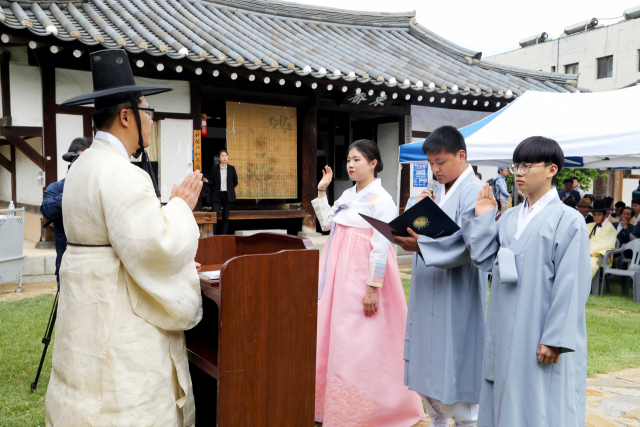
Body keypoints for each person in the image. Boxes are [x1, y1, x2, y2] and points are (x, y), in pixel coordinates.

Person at [45, 50, 204, 427]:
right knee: (122, 402)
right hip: (120, 317)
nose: (152, 120)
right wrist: (180, 207)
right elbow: (155, 249)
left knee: (85, 393)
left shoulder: (83, 165)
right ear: (127, 115)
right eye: (148, 111)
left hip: (86, 309)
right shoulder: (123, 173)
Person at [461, 136, 590, 427]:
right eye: (516, 165)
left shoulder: (568, 221)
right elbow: (485, 260)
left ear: (552, 170)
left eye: (527, 165)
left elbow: (572, 285)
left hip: (540, 329)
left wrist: (555, 338)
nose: (518, 172)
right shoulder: (508, 218)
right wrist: (483, 218)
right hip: (505, 325)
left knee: (542, 400)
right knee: (505, 393)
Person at [313, 139, 424, 427]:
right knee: (333, 333)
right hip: (337, 272)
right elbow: (327, 224)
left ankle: (367, 408)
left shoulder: (381, 199)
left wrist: (373, 287)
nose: (350, 165)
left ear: (373, 163)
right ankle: (328, 404)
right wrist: (322, 191)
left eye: (357, 160)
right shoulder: (348, 194)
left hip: (359, 275)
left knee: (357, 339)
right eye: (348, 159)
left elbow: (380, 245)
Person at [393, 126, 487, 427]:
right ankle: (435, 417)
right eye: (431, 163)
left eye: (441, 162)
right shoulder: (440, 189)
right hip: (428, 285)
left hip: (456, 290)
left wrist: (422, 245)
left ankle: (464, 421)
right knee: (426, 356)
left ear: (462, 155)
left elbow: (470, 244)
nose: (435, 169)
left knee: (455, 357)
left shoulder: (474, 191)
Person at [40, 137, 93, 290]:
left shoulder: (99, 187)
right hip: (66, 264)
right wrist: (75, 189)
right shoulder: (57, 188)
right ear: (70, 161)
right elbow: (47, 209)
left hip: (96, 267)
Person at [204, 148, 238, 235]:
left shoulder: (231, 168)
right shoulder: (214, 168)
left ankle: (223, 236)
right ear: (219, 158)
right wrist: (207, 182)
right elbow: (212, 181)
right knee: (214, 217)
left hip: (227, 196)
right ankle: (212, 235)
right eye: (222, 156)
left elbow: (235, 181)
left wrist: (230, 189)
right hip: (217, 196)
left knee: (225, 218)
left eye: (226, 156)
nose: (224, 157)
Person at [587, 198, 618, 279]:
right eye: (594, 214)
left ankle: (583, 286)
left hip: (600, 256)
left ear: (605, 215)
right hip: (587, 253)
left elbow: (605, 244)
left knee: (589, 263)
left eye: (599, 214)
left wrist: (588, 252)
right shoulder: (589, 225)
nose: (596, 217)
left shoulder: (610, 228)